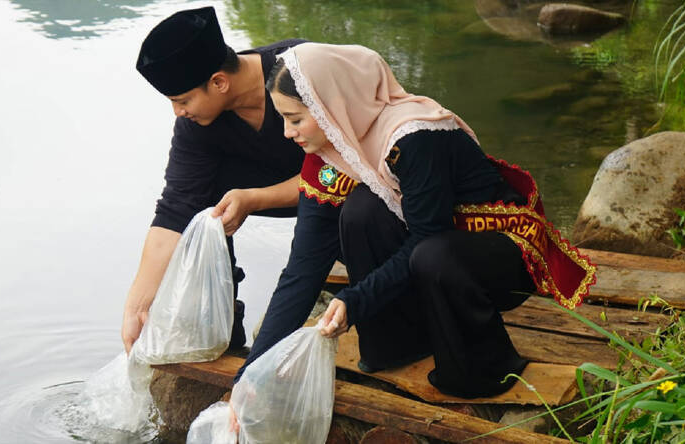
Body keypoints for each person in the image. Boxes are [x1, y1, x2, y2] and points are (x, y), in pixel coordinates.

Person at [234, 42, 596, 399]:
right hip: (438, 247)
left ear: (331, 106)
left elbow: (428, 238)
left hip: (497, 254)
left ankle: (482, 372)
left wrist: (355, 301)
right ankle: (397, 347)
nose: (286, 132)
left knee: (430, 254)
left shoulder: (413, 137)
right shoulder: (329, 155)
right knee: (361, 212)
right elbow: (302, 270)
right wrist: (249, 375)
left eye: (295, 119)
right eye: (283, 118)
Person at [122, 7, 306, 354]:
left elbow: (343, 168)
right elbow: (175, 208)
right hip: (271, 188)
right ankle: (222, 325)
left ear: (219, 82)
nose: (179, 112)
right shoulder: (195, 127)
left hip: (346, 188)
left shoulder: (300, 70)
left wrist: (255, 199)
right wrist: (138, 304)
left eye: (183, 100)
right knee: (198, 210)